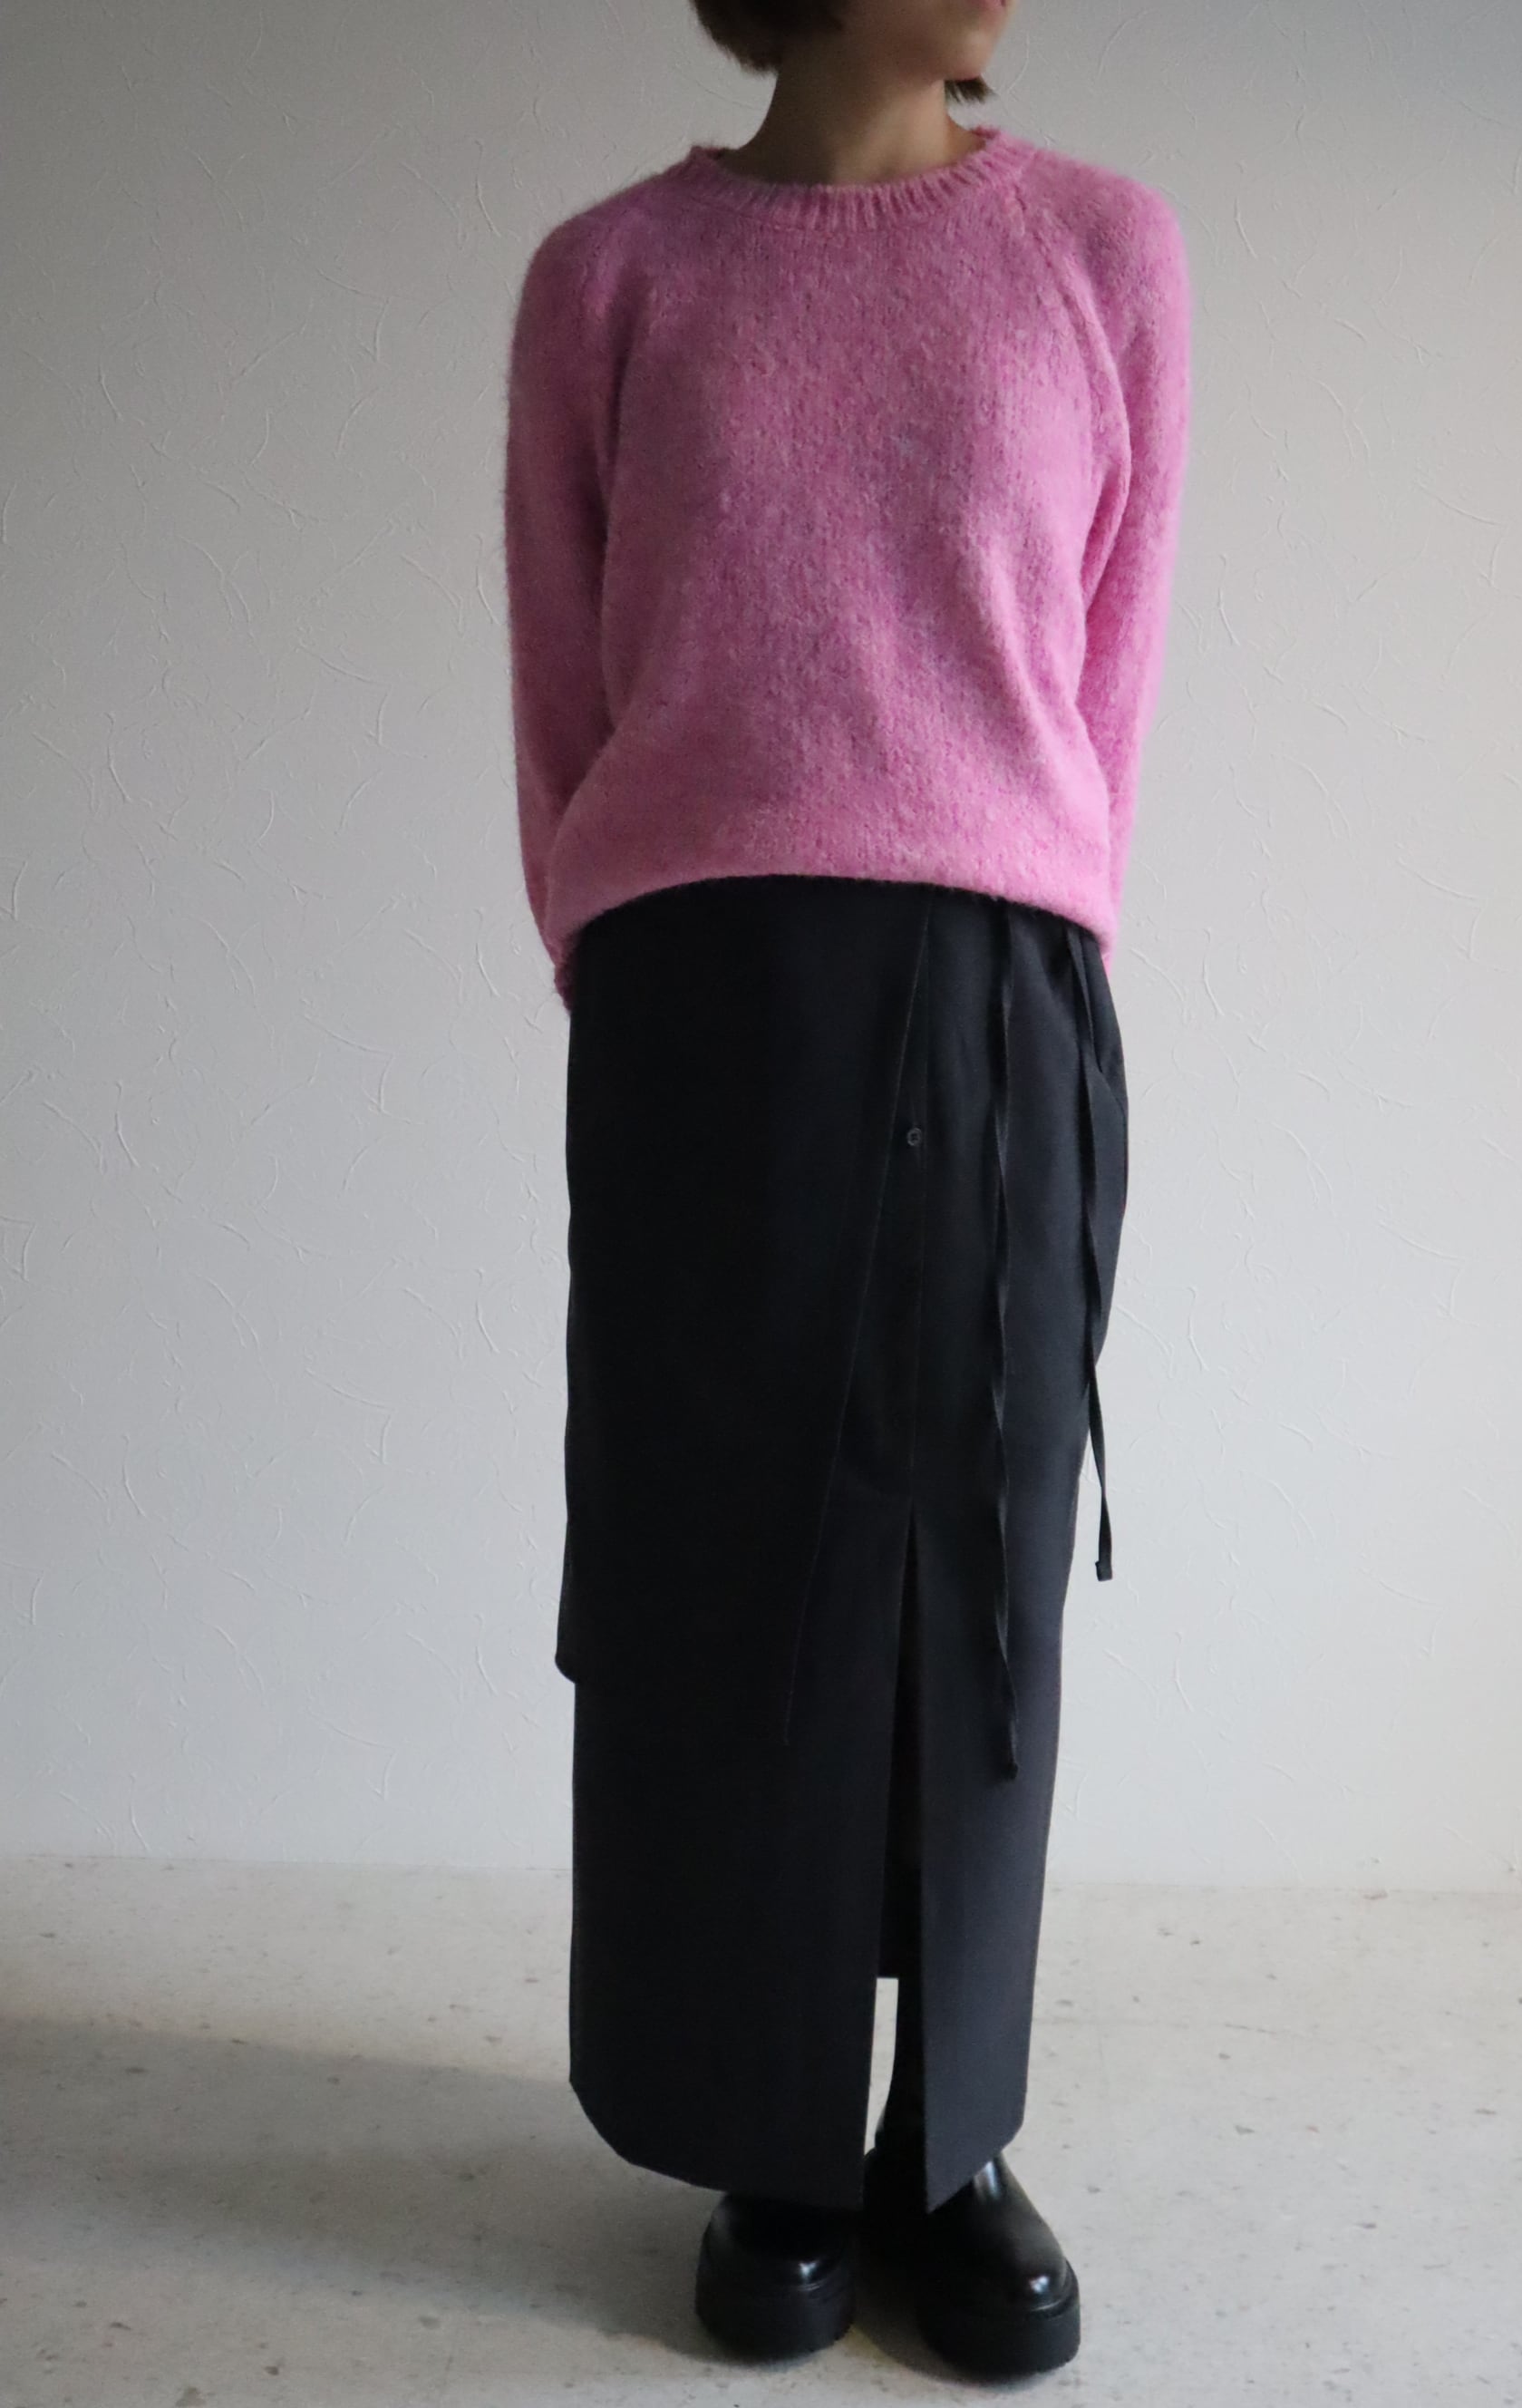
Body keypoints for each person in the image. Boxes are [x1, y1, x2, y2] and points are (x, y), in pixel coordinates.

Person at [501, 0, 1191, 2377]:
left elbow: (1106, 681)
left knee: (974, 1580)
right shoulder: (613, 280)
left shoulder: (1104, 254)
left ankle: (947, 2138)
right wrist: (636, 961)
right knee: (725, 1562)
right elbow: (566, 696)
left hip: (999, 973)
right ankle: (769, 2130)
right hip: (704, 990)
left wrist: (1025, 906)